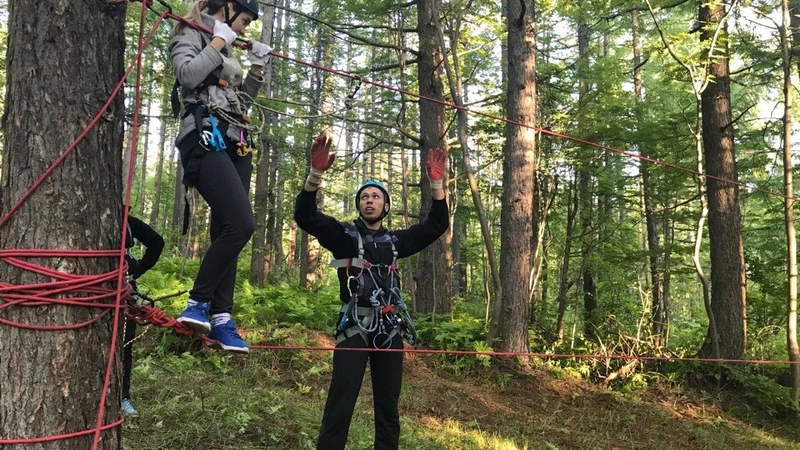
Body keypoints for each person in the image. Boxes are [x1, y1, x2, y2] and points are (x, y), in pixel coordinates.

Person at [294, 133, 449, 450]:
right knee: (339, 407)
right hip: (354, 327)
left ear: (386, 205)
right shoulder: (343, 238)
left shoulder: (396, 242)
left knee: (388, 410)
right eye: (364, 196)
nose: (369, 199)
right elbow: (306, 216)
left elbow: (436, 225)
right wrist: (315, 175)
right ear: (359, 205)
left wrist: (436, 185)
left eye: (376, 196)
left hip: (389, 330)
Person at [169, 0, 271, 353]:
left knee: (228, 228)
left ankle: (222, 318)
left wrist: (256, 70)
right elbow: (186, 76)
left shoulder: (225, 44)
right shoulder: (192, 32)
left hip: (234, 140)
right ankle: (197, 303)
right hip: (203, 134)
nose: (244, 29)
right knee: (243, 224)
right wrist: (216, 42)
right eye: (243, 20)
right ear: (227, 8)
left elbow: (240, 102)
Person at [121, 214, 165, 417]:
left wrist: (138, 270)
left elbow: (157, 242)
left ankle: (122, 397)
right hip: (92, 292)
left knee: (124, 346)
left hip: (126, 292)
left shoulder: (127, 221)